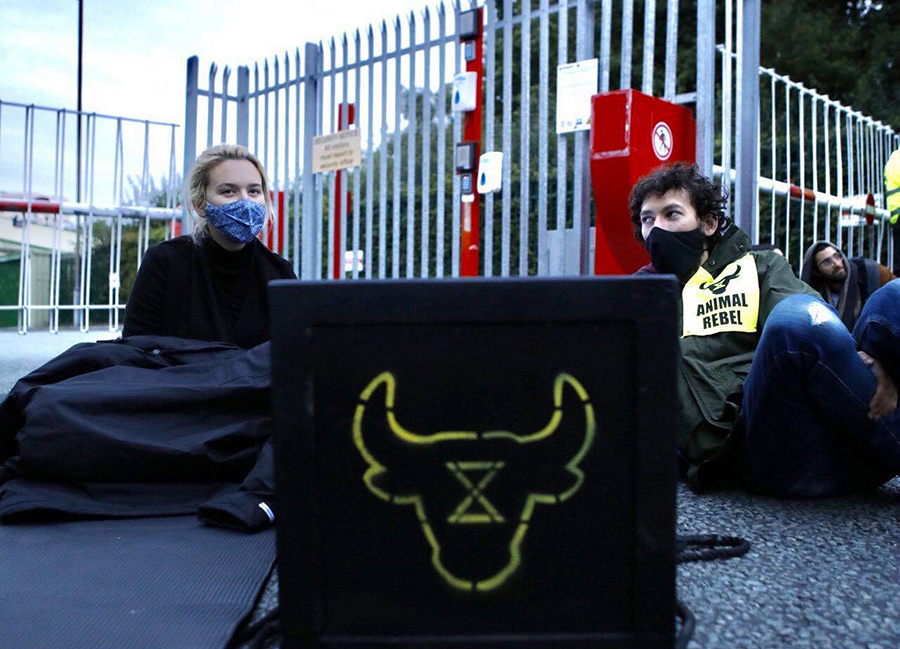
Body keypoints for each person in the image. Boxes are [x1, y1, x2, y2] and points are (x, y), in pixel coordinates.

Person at [631, 162, 900, 497]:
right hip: (763, 453)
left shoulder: (760, 267)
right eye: (647, 219)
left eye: (671, 214)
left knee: (891, 295)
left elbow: (815, 324)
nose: (657, 229)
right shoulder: (642, 298)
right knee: (794, 323)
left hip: (840, 437)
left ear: (709, 223)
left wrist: (880, 360)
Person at [124, 144, 296, 348]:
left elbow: (294, 352)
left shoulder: (279, 272)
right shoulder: (165, 262)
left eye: (254, 191)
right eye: (228, 191)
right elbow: (135, 349)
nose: (245, 201)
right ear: (200, 204)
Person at [800, 241, 895, 330]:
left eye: (837, 256)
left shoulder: (872, 273)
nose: (836, 264)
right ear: (817, 272)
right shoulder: (815, 295)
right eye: (827, 262)